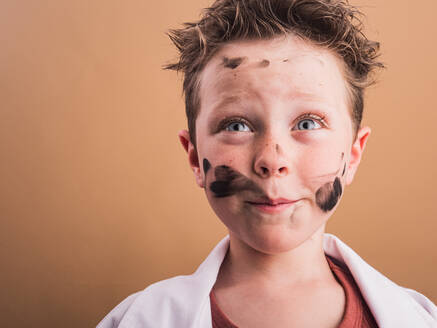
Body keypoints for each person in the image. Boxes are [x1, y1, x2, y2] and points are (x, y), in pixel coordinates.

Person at [97, 0, 437, 327]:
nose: (272, 160)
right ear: (194, 156)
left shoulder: (418, 318)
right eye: (236, 126)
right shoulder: (139, 320)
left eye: (307, 123)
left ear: (352, 154)